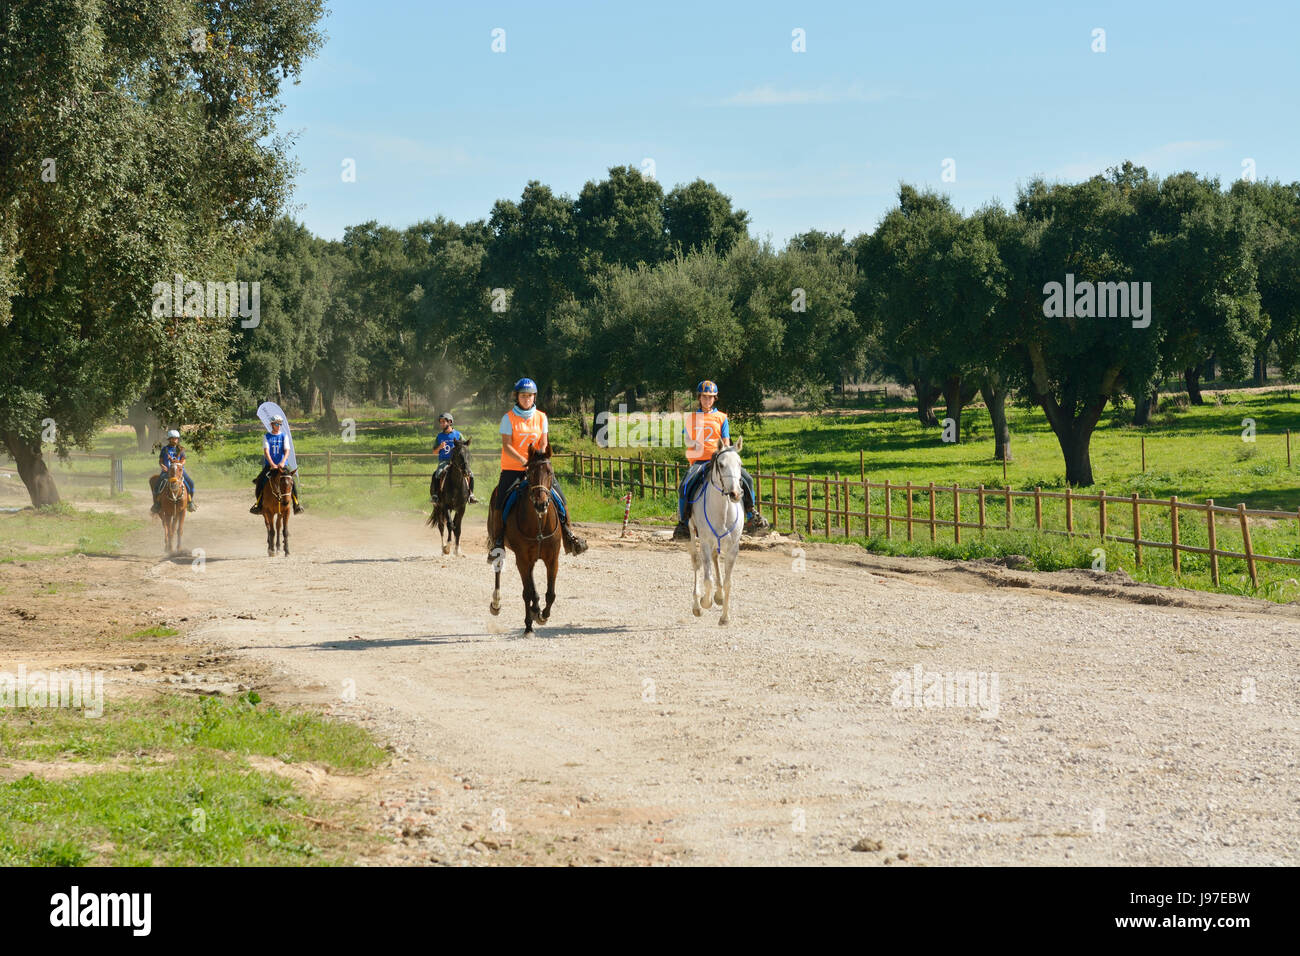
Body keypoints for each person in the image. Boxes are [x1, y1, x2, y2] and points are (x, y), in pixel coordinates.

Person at [487, 377, 587, 562]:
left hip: (537, 468)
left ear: (534, 397)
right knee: (500, 501)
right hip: (513, 468)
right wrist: (524, 460)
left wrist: (538, 461)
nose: (527, 399)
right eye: (523, 396)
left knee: (560, 498)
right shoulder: (508, 418)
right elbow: (507, 445)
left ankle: (569, 536)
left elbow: (544, 442)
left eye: (530, 396)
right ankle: (498, 542)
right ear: (517, 397)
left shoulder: (541, 417)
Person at [671, 380, 770, 541]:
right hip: (700, 461)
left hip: (719, 460)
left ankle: (752, 515)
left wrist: (723, 455)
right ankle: (683, 523)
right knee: (685, 486)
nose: (707, 400)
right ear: (699, 398)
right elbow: (688, 438)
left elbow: (726, 441)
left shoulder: (722, 417)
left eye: (710, 397)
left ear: (715, 398)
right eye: (704, 397)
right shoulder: (692, 418)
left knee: (748, 479)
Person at [249, 415, 303, 514]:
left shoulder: (284, 436)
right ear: (272, 425)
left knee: (291, 482)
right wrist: (272, 464)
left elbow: (287, 451)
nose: (279, 426)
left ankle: (296, 504)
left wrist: (282, 462)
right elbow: (266, 452)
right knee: (260, 481)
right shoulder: (267, 437)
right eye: (277, 424)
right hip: (270, 466)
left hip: (282, 466)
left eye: (280, 424)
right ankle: (258, 505)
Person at [430, 412, 478, 505]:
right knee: (438, 473)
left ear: (450, 422)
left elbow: (465, 446)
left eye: (444, 422)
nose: (442, 424)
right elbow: (434, 452)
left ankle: (471, 495)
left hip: (457, 462)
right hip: (444, 461)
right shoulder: (439, 436)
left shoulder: (458, 435)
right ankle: (435, 495)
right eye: (441, 422)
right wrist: (440, 447)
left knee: (471, 474)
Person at [150, 429, 196, 513]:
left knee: (191, 484)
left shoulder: (181, 449)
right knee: (157, 487)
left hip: (178, 472)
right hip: (167, 472)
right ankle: (157, 504)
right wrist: (162, 466)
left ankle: (190, 502)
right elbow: (160, 461)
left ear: (178, 439)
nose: (174, 440)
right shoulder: (165, 449)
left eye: (176, 438)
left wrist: (181, 465)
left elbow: (183, 459)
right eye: (172, 438)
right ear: (169, 439)